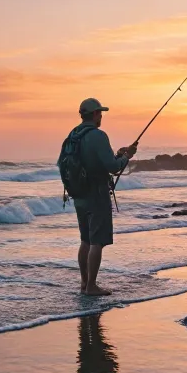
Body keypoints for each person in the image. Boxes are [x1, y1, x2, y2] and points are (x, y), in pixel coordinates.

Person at [60, 98, 137, 296]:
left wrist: (118, 154)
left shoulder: (72, 135)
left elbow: (63, 163)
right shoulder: (98, 135)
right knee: (97, 241)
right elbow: (113, 167)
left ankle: (84, 283)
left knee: (85, 240)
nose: (101, 116)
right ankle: (92, 286)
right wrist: (126, 157)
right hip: (97, 194)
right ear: (94, 114)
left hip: (78, 196)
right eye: (100, 113)